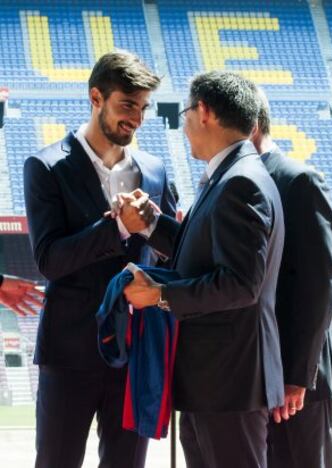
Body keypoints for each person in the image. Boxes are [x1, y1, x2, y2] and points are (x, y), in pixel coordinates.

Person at [121, 72, 285, 468]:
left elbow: (240, 283)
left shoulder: (239, 183)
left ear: (205, 112)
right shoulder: (229, 176)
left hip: (228, 382)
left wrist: (159, 296)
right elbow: (200, 256)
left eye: (185, 113)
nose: (184, 125)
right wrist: (152, 225)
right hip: (217, 381)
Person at [24, 50, 176, 468]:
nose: (137, 118)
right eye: (127, 105)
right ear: (96, 97)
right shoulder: (46, 165)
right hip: (69, 350)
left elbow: (175, 253)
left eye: (143, 108)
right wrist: (117, 228)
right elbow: (49, 260)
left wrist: (152, 224)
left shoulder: (157, 170)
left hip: (135, 350)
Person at [251, 89, 332, 468]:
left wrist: (297, 376)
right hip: (258, 377)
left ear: (250, 124)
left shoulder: (299, 180)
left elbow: (319, 284)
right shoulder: (237, 181)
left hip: (297, 382)